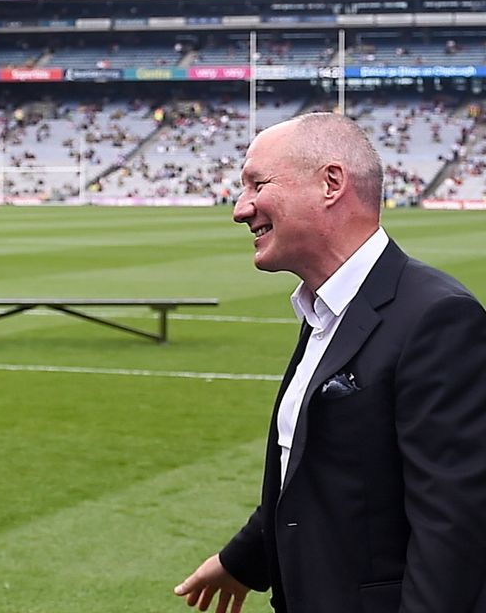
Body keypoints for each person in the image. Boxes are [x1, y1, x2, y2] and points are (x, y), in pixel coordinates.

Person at [175, 112, 486, 613]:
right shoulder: (324, 310)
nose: (240, 208)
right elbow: (322, 471)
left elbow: (456, 526)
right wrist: (242, 560)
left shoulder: (437, 317)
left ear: (331, 183)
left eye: (257, 183)